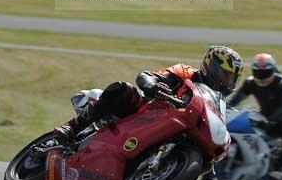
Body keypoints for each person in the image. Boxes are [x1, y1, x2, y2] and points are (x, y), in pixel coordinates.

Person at [52, 45, 244, 145]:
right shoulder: (185, 72)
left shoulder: (219, 102)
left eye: (231, 78)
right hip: (144, 113)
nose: (226, 81)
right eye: (224, 75)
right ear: (210, 66)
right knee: (123, 90)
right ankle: (73, 127)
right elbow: (148, 76)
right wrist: (153, 86)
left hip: (172, 129)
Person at [228, 52, 282, 180]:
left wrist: (270, 121)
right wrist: (225, 106)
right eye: (257, 72)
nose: (261, 76)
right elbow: (236, 98)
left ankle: (277, 170)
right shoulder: (250, 83)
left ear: (273, 70)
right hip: (264, 115)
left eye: (265, 72)